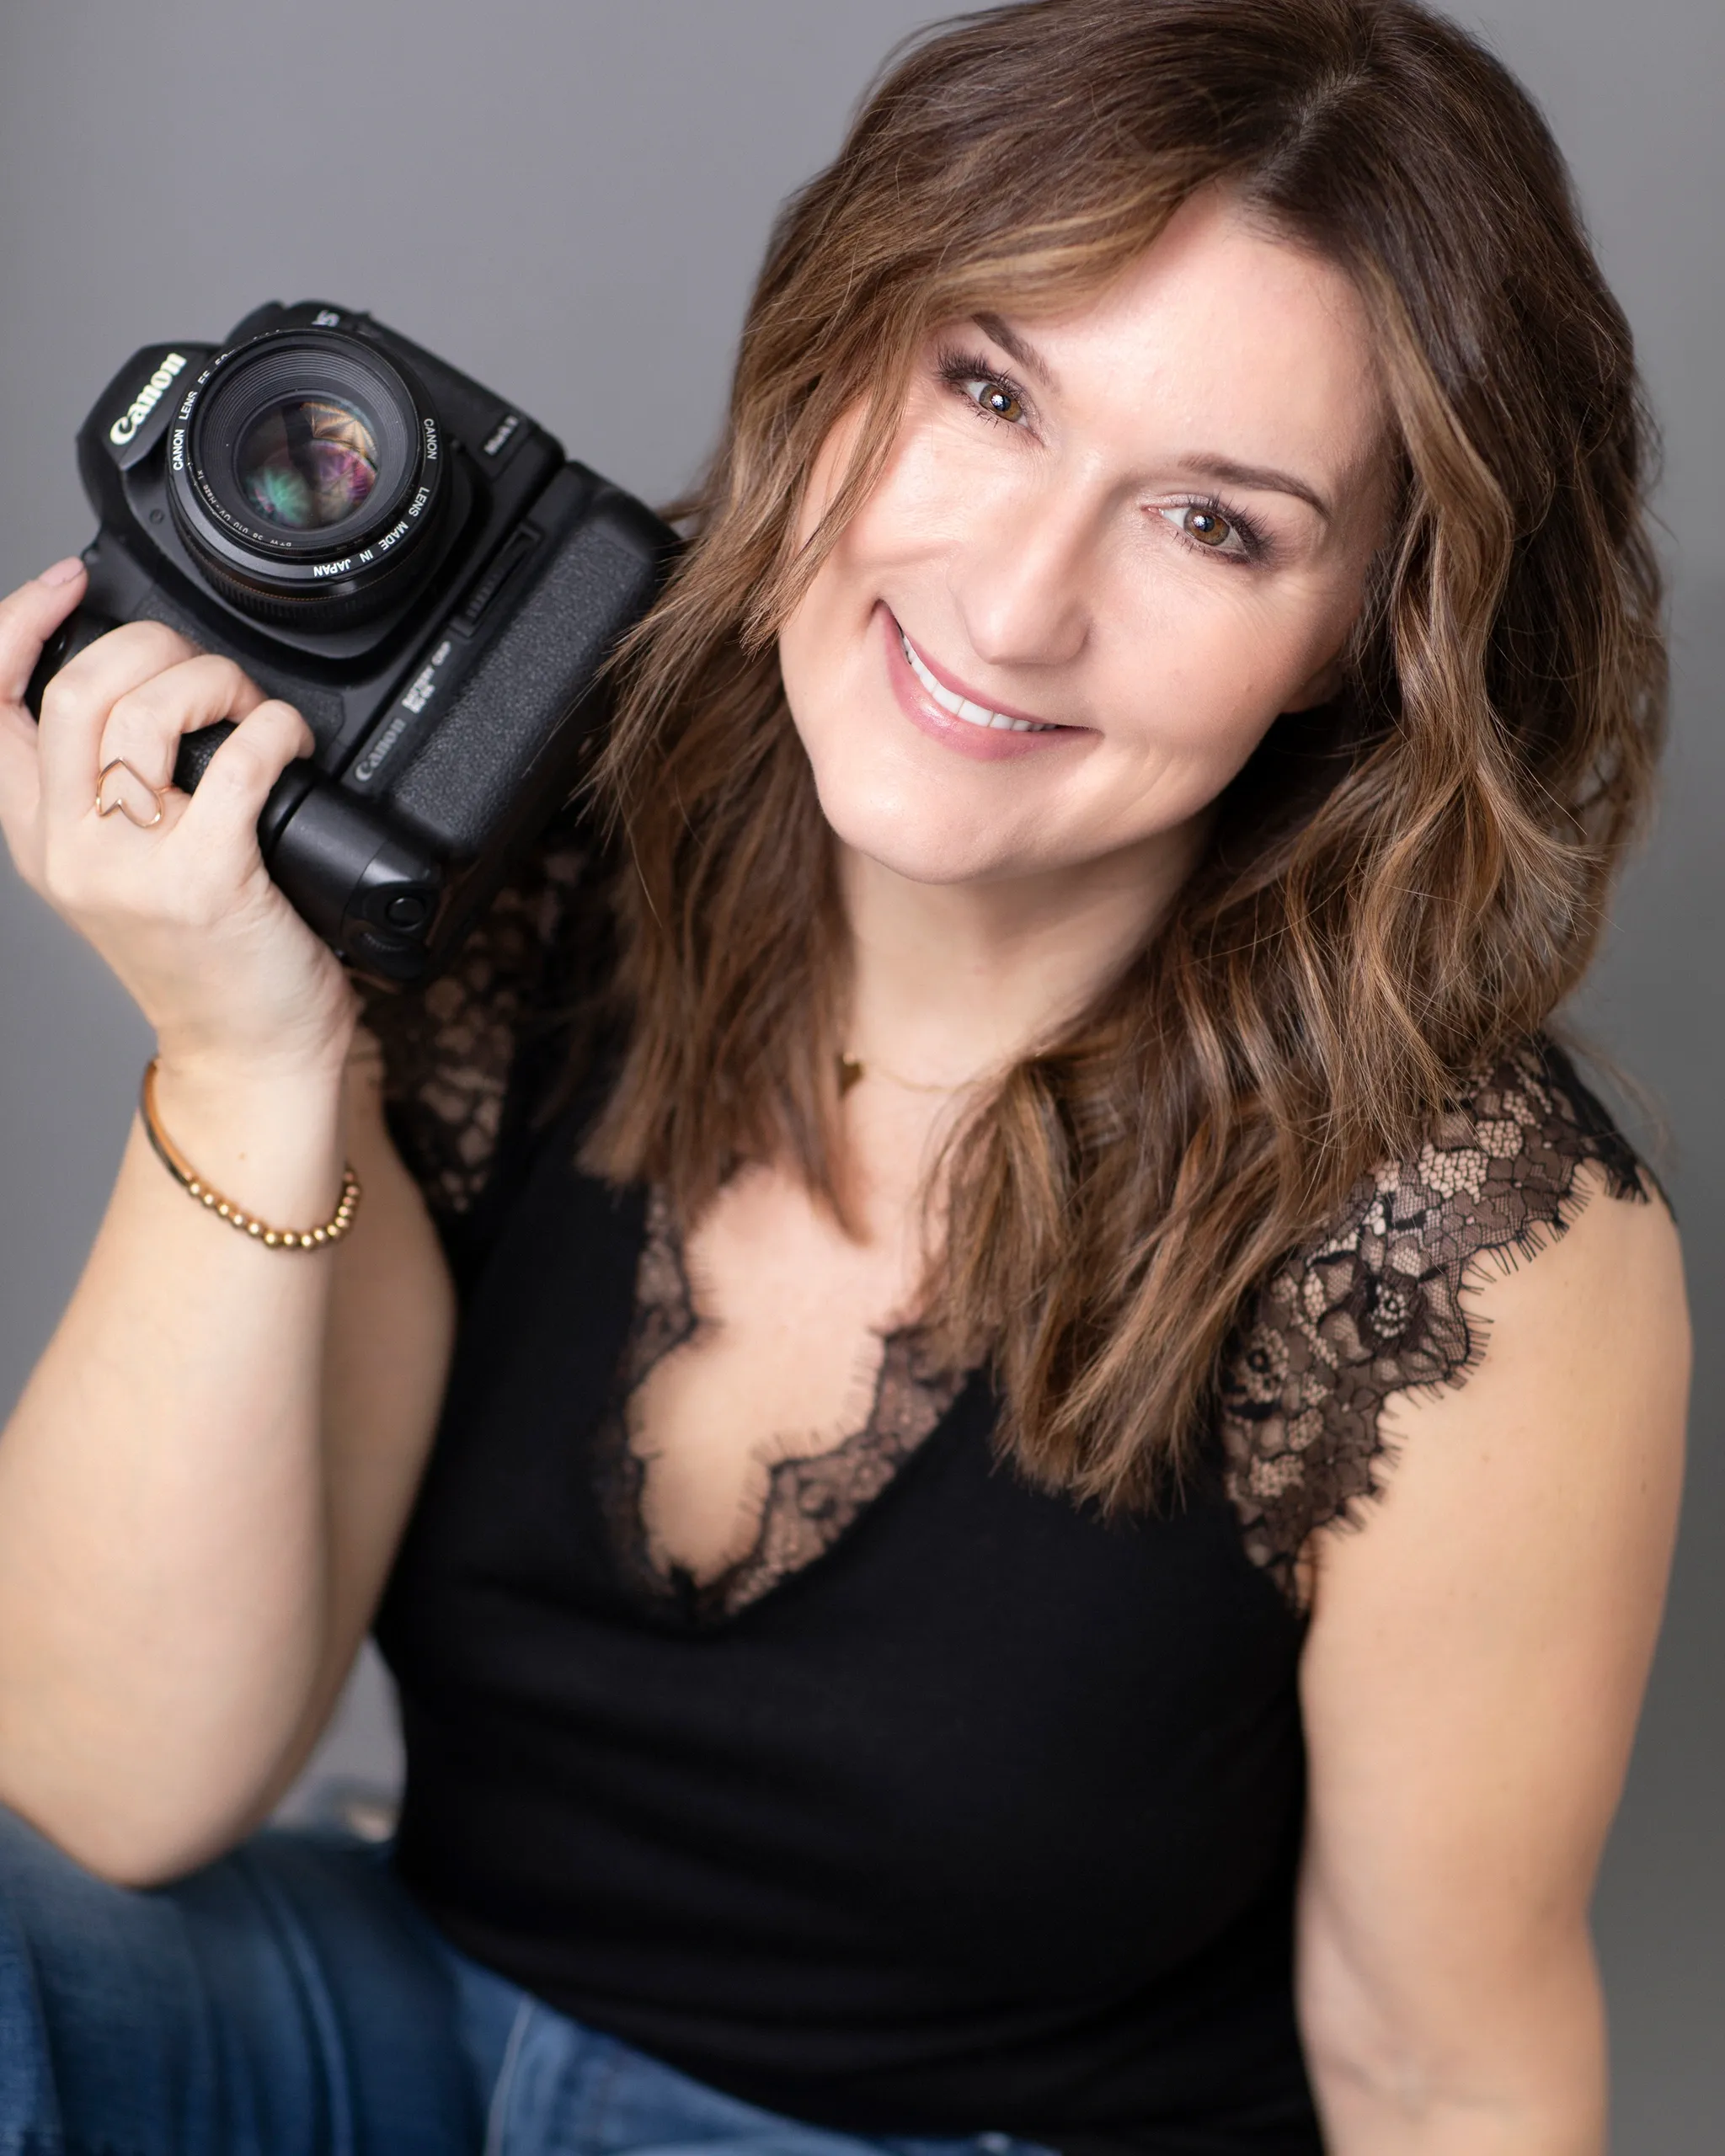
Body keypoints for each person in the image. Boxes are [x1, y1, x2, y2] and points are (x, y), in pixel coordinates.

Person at [0, 0, 1690, 2149]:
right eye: (987, 390)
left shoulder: (1465, 1252)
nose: (1010, 595)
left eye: (1214, 526)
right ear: (837, 356)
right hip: (408, 2024)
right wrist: (244, 1050)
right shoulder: (524, 869)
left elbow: (1442, 2061)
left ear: (1368, 631)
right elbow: (97, 1778)